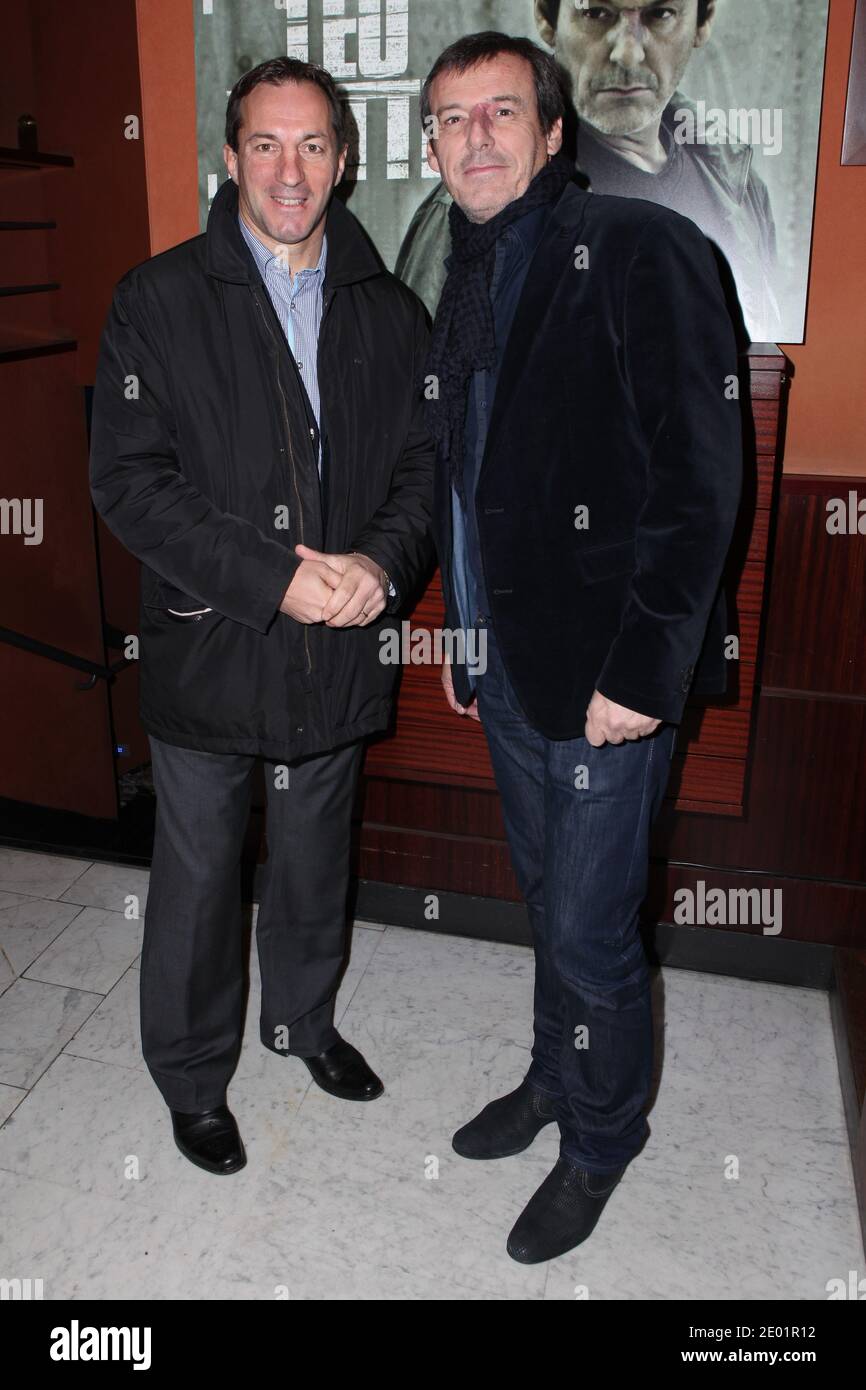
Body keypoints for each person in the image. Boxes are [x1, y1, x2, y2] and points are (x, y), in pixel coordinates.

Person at [420, 31, 742, 1263]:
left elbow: (700, 483)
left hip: (608, 676)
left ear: (553, 135)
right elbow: (470, 479)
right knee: (553, 901)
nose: (475, 137)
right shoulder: (465, 274)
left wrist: (641, 674)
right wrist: (462, 626)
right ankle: (557, 1077)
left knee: (595, 927)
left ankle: (602, 1138)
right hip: (508, 663)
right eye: (450, 119)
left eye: (500, 112)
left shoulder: (639, 247)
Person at [89, 57, 434, 1176]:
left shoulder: (390, 306)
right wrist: (271, 575)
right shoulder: (157, 298)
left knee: (312, 856)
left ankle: (302, 1024)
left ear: (342, 160)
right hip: (212, 639)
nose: (290, 170)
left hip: (338, 648)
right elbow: (132, 483)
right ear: (228, 157)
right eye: (266, 145)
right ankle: (192, 1080)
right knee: (196, 875)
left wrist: (380, 567)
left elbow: (425, 469)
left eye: (313, 145)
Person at [398, 0, 780, 341]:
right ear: (547, 20)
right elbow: (417, 380)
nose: (627, 52)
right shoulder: (469, 203)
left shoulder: (735, 182)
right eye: (596, 13)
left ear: (703, 20)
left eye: (660, 13)